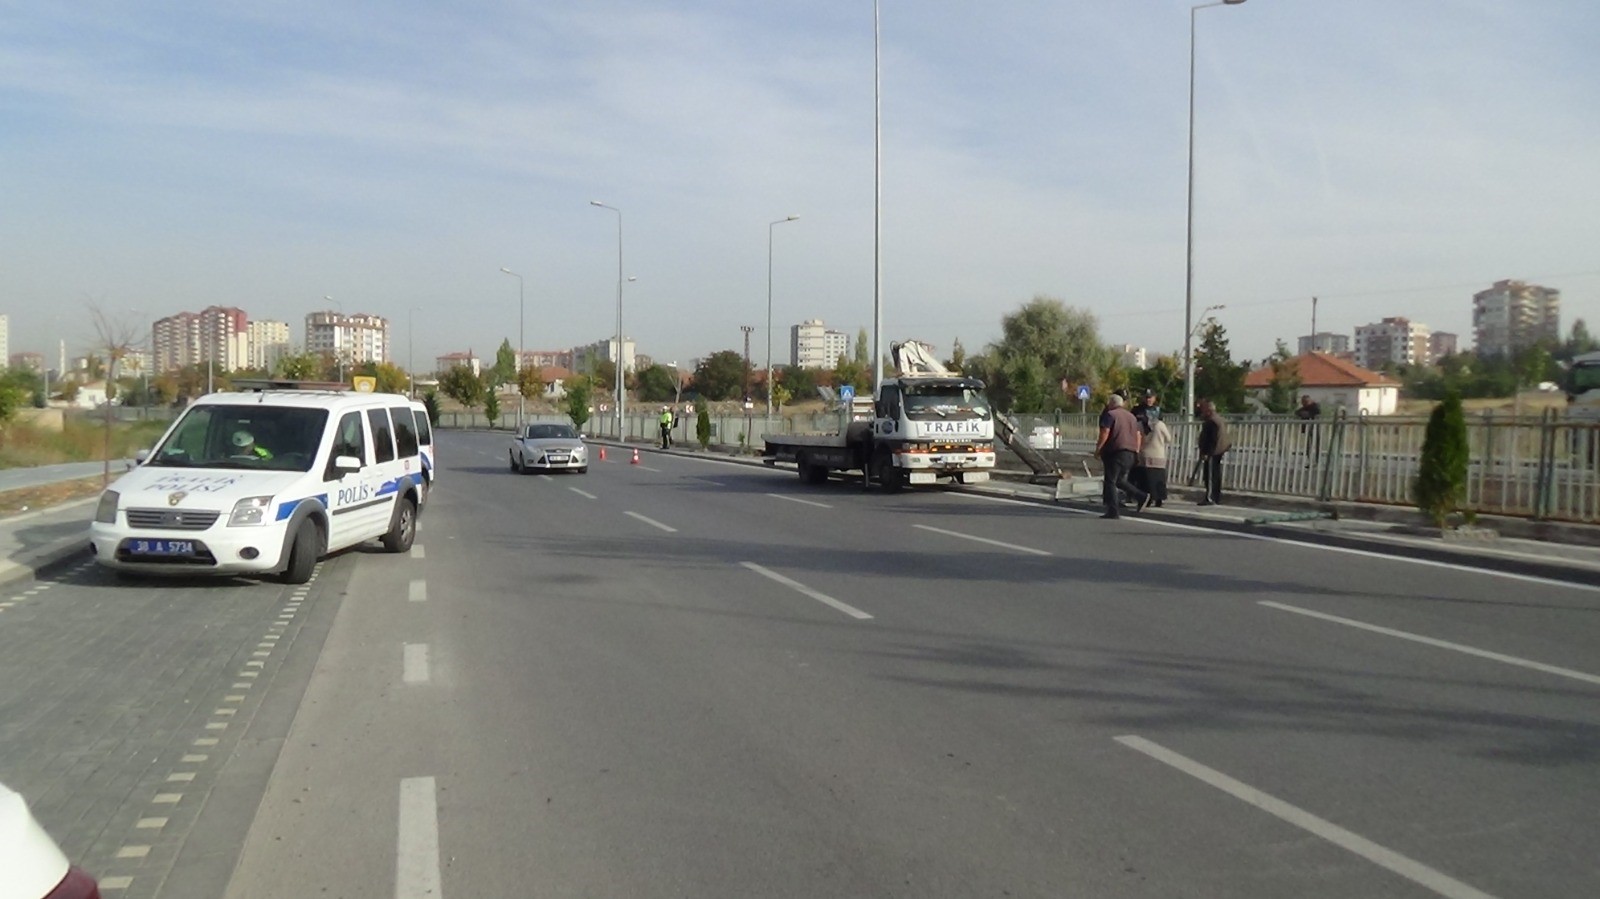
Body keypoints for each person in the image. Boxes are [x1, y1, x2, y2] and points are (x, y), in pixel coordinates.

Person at [1094, 393, 1148, 519]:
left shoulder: (1110, 415)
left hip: (1116, 451)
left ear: (1111, 403)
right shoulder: (1131, 417)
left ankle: (1113, 510)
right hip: (1130, 452)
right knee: (1120, 480)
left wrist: (1098, 449)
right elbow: (1138, 435)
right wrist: (1137, 451)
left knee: (1111, 481)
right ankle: (1141, 496)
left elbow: (1105, 433)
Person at [1196, 399, 1230, 505]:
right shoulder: (1219, 419)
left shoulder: (1212, 421)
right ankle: (1215, 497)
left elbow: (1212, 439)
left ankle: (1210, 498)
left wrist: (1207, 452)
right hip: (1219, 451)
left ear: (1209, 410)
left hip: (1213, 452)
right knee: (1215, 474)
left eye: (1204, 410)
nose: (1202, 412)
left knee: (1210, 475)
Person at [1138, 413, 1173, 507]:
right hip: (1158, 454)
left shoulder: (1140, 425)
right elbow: (1168, 438)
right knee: (1159, 478)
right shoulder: (1160, 424)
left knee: (1146, 479)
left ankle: (1147, 499)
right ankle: (1159, 499)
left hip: (1144, 454)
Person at [1295, 394, 1322, 461]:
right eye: (1303, 402)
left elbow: (1317, 413)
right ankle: (1309, 458)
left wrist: (1306, 414)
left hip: (1315, 427)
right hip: (1309, 428)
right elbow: (1297, 412)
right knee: (1309, 443)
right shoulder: (1305, 407)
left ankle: (1316, 459)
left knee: (1316, 443)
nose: (1303, 403)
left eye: (1305, 402)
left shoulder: (1314, 406)